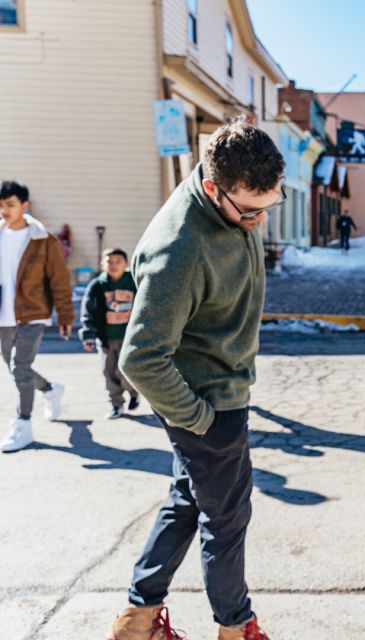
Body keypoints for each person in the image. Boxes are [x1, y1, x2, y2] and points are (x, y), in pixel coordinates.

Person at [106, 119, 283, 640]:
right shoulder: (178, 249)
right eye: (249, 210)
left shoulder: (230, 204)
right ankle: (236, 627)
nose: (259, 220)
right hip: (207, 403)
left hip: (219, 392)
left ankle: (137, 620)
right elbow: (139, 359)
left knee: (188, 498)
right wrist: (202, 420)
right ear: (212, 188)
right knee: (227, 521)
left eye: (270, 205)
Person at [0, 180, 72, 453]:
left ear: (24, 205)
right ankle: (50, 388)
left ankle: (23, 423)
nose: (4, 210)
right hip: (3, 315)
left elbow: (60, 281)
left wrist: (65, 315)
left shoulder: (43, 239)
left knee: (20, 367)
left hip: (33, 313)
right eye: (1, 206)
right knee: (17, 368)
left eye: (10, 205)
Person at [79, 248, 140, 419]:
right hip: (106, 339)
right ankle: (116, 404)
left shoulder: (134, 282)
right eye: (109, 262)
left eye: (118, 262)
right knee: (109, 373)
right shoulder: (97, 285)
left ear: (126, 264)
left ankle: (134, 393)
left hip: (131, 339)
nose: (113, 265)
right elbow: (88, 312)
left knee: (128, 372)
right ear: (102, 264)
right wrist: (88, 335)